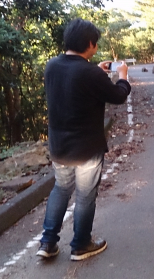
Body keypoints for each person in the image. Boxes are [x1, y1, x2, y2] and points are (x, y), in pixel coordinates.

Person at [36, 18, 131, 261]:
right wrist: (123, 76)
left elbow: (73, 87)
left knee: (61, 188)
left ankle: (47, 243)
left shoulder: (52, 66)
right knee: (85, 195)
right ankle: (80, 244)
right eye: (95, 43)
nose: (96, 47)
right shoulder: (90, 73)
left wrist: (95, 72)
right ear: (89, 44)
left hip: (59, 146)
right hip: (87, 148)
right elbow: (118, 96)